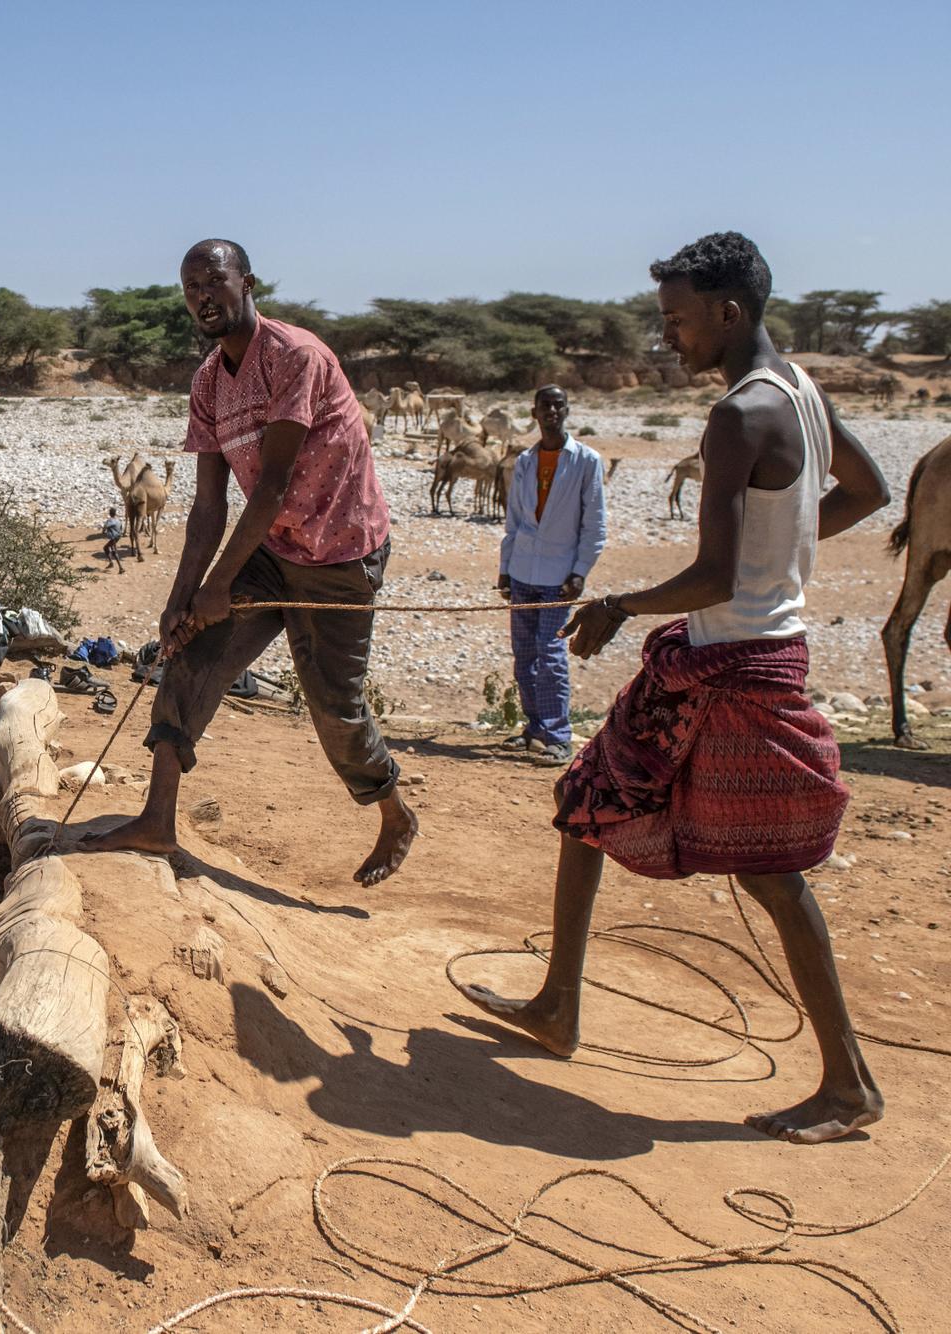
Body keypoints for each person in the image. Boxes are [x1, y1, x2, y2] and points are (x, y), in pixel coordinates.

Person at [456, 232, 892, 1144]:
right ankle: (557, 1007)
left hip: (737, 666)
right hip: (730, 652)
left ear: (728, 314)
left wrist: (618, 604)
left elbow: (718, 577)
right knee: (587, 800)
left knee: (773, 875)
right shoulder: (800, 390)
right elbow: (868, 490)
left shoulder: (738, 415)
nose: (668, 337)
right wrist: (788, 550)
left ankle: (850, 1086)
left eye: (678, 320)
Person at [86, 239, 417, 887]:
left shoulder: (296, 357)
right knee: (190, 652)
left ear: (248, 283)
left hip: (340, 554)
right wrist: (181, 600)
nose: (202, 297)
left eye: (214, 281)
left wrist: (215, 587)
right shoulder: (209, 381)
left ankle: (394, 812)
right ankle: (156, 820)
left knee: (335, 707)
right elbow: (209, 505)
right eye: (191, 288)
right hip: (271, 546)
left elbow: (271, 486)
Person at [494, 385, 607, 766]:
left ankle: (558, 735)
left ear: (567, 410)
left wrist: (580, 572)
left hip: (559, 577)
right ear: (534, 413)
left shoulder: (586, 461)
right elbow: (514, 520)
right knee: (524, 655)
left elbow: (594, 525)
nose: (552, 411)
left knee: (551, 654)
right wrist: (505, 569)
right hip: (523, 570)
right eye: (546, 405)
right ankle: (535, 728)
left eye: (559, 405)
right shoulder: (525, 461)